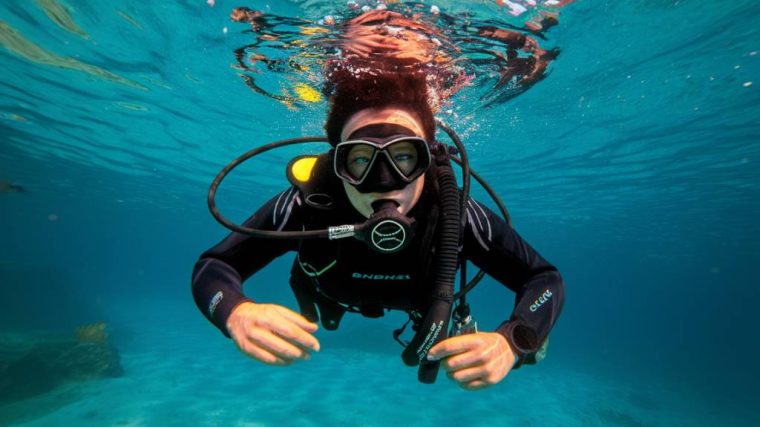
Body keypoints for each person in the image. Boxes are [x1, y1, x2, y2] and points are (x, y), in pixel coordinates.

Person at [192, 10, 564, 390]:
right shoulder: (311, 202)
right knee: (325, 313)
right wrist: (234, 312)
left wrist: (514, 340)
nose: (385, 183)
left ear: (429, 158)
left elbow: (543, 279)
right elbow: (215, 267)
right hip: (329, 295)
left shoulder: (453, 210)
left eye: (404, 156)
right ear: (338, 163)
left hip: (419, 310)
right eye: (360, 159)